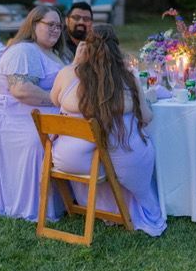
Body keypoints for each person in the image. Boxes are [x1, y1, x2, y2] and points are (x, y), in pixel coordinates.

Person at [50, 24, 167, 237]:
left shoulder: (67, 74)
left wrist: (75, 64)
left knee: (107, 144)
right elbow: (147, 118)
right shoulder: (126, 79)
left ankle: (99, 207)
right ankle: (136, 204)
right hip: (113, 163)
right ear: (116, 48)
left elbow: (54, 100)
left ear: (85, 46)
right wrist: (146, 101)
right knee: (128, 135)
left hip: (67, 160)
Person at [0, 5, 69, 221]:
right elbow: (21, 90)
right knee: (39, 138)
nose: (56, 30)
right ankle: (32, 205)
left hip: (31, 109)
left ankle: (73, 195)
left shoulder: (57, 53)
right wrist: (58, 100)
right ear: (34, 24)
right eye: (50, 25)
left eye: (59, 26)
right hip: (9, 113)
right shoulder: (24, 50)